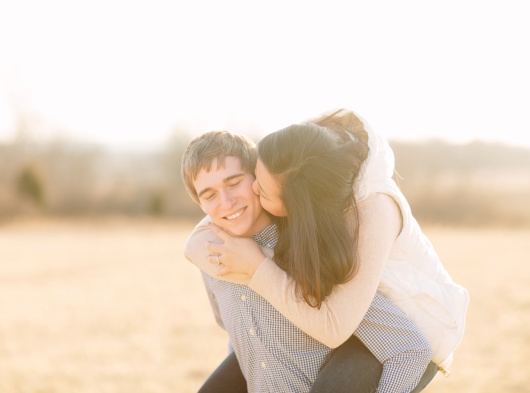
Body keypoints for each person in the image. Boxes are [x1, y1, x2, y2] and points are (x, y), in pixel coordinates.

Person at [186, 109, 469, 390]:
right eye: (209, 195)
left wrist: (260, 265)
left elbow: (406, 348)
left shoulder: (312, 255)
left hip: (422, 326)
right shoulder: (214, 255)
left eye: (236, 183)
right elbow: (240, 337)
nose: (226, 201)